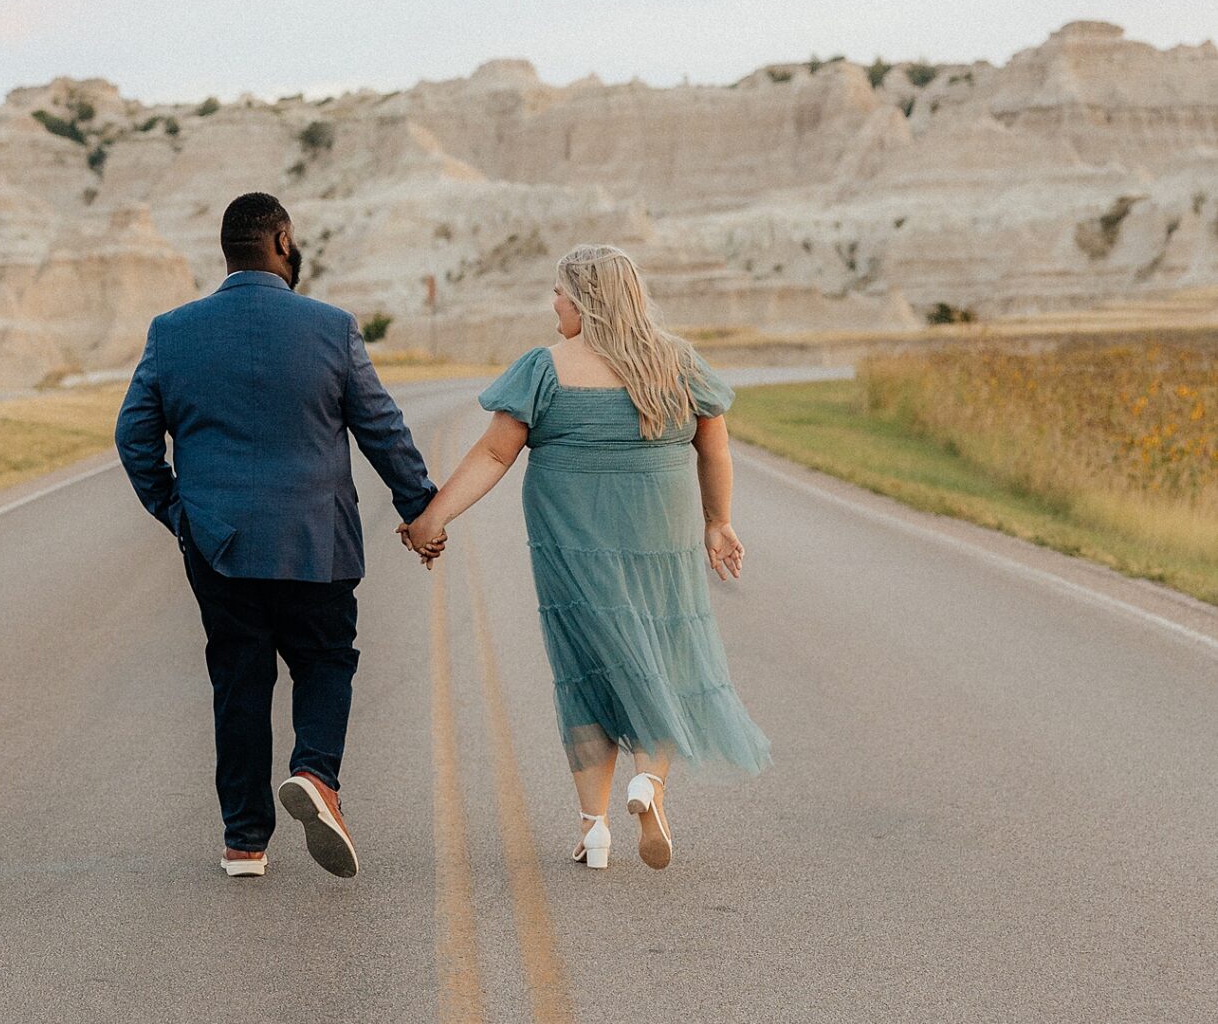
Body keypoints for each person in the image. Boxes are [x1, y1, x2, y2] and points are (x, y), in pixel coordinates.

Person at [403, 244, 768, 869]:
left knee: (584, 668)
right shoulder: (677, 364)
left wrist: (431, 518)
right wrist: (718, 522)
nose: (553, 304)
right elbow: (715, 450)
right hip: (661, 541)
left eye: (559, 293)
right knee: (664, 656)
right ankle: (648, 784)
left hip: (572, 546)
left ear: (585, 300)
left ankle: (593, 829)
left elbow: (493, 456)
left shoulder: (545, 369)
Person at [116, 192, 439, 880]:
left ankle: (243, 842)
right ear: (282, 242)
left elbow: (134, 438)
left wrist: (178, 513)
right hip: (314, 537)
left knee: (238, 679)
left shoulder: (172, 331)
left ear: (227, 252)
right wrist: (419, 508)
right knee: (324, 661)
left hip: (217, 542)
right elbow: (381, 427)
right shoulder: (330, 327)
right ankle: (316, 775)